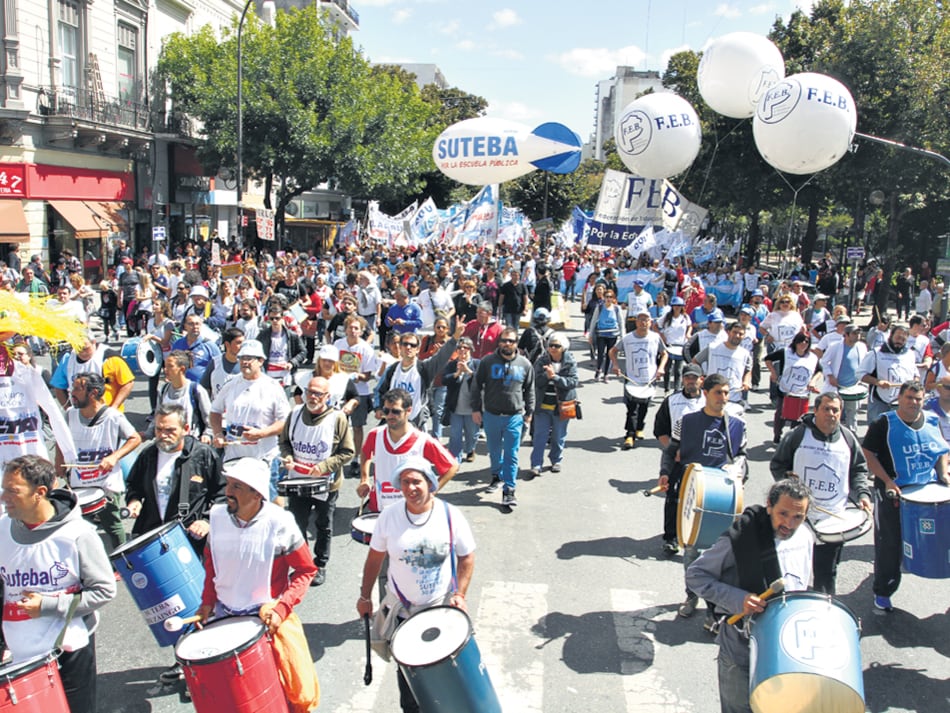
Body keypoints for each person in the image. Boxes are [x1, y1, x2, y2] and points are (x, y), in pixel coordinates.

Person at [355, 456, 476, 713]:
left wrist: (460, 594)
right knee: (410, 687)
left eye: (417, 482)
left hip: (441, 612)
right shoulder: (389, 517)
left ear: (430, 483)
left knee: (446, 680)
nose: (411, 488)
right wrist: (365, 597)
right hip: (404, 616)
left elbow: (467, 556)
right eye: (405, 482)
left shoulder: (450, 516)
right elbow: (374, 559)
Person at [196, 458, 318, 709]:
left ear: (256, 493)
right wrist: (207, 601)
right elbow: (212, 565)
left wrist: (282, 608)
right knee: (233, 697)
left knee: (279, 695)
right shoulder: (217, 517)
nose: (228, 492)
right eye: (228, 484)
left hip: (264, 622)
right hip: (223, 618)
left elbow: (306, 570)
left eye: (237, 486)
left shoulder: (280, 522)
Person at [0, 455, 117, 713]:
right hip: (21, 654)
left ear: (39, 493)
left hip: (69, 651)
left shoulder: (78, 534)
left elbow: (105, 590)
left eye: (12, 491)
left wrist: (48, 606)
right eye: (3, 488)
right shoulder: (2, 530)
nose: (3, 497)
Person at [686, 479, 814, 713]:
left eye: (798, 516)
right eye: (783, 513)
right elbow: (696, 575)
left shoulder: (805, 536)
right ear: (769, 506)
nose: (789, 523)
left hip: (782, 649)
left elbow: (802, 585)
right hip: (740, 648)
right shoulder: (741, 538)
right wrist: (739, 599)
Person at [659, 374, 748, 628]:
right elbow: (671, 452)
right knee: (691, 550)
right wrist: (665, 473)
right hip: (692, 491)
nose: (724, 398)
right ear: (706, 393)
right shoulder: (686, 422)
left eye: (726, 393)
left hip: (721, 494)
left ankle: (712, 609)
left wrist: (738, 469)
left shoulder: (737, 425)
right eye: (719, 392)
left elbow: (742, 456)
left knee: (718, 556)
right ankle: (690, 596)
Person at [770, 392, 873, 593]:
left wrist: (862, 495)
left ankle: (824, 610)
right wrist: (787, 488)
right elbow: (778, 465)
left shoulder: (848, 439)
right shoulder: (798, 435)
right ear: (815, 410)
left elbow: (859, 470)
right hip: (797, 518)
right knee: (789, 567)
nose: (831, 414)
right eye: (826, 409)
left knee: (826, 573)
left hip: (832, 520)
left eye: (835, 410)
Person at [861, 380, 950, 612]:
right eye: (909, 397)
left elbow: (941, 450)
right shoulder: (884, 423)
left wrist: (943, 472)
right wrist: (888, 481)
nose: (914, 403)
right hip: (893, 494)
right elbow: (868, 453)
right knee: (889, 545)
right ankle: (883, 592)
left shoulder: (932, 420)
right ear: (900, 398)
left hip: (926, 494)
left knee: (939, 541)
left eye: (918, 398)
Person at [278, 375, 355, 587]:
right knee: (297, 524)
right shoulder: (294, 414)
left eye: (318, 394)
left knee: (323, 525)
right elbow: (284, 442)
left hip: (326, 484)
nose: (312, 397)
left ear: (327, 397)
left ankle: (320, 563)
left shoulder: (337, 418)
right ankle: (302, 564)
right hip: (297, 481)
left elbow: (348, 452)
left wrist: (323, 467)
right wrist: (289, 456)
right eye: (309, 392)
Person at [61, 372, 142, 552]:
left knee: (112, 526)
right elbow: (62, 441)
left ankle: (122, 561)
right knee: (77, 527)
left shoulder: (113, 417)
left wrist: (114, 457)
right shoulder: (70, 415)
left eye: (77, 389)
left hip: (106, 484)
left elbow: (135, 438)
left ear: (93, 393)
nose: (71, 392)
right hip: (78, 482)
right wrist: (60, 465)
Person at [125, 403, 223, 549]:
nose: (163, 435)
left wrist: (206, 520)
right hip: (152, 533)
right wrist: (134, 500)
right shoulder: (148, 455)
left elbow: (223, 493)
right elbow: (134, 485)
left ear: (186, 429)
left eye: (170, 430)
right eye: (159, 429)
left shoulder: (203, 455)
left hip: (190, 537)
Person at [209, 339, 289, 499]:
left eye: (250, 358)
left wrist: (262, 433)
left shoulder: (272, 387)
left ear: (261, 361)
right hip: (234, 457)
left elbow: (285, 421)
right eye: (242, 358)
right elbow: (215, 411)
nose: (245, 362)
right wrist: (218, 434)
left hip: (263, 457)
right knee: (237, 501)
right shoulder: (231, 384)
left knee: (267, 501)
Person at [358, 388, 457, 513]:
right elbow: (366, 452)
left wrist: (430, 492)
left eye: (395, 411)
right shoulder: (375, 435)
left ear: (408, 411)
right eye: (386, 411)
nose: (390, 416)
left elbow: (451, 467)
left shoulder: (422, 440)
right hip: (379, 507)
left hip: (410, 511)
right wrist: (364, 479)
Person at [472, 327, 535, 508]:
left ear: (516, 344)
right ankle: (496, 476)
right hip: (491, 414)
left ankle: (509, 489)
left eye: (511, 341)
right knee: (494, 450)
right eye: (504, 340)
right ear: (499, 342)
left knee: (511, 454)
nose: (507, 344)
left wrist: (529, 412)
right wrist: (476, 409)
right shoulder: (488, 361)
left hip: (514, 416)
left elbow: (529, 389)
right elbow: (477, 386)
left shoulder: (524, 364)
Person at [652, 364, 706, 554]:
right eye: (687, 378)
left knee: (701, 501)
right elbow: (660, 430)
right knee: (674, 498)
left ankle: (699, 537)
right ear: (682, 379)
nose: (691, 381)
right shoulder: (672, 401)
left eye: (695, 378)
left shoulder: (710, 400)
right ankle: (670, 538)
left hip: (703, 461)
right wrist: (672, 451)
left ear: (702, 379)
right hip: (677, 459)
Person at [376, 322, 464, 431]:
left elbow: (441, 357)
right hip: (393, 422)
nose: (408, 347)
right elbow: (381, 391)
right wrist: (379, 408)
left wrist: (455, 337)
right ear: (400, 347)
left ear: (417, 349)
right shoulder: (393, 370)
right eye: (405, 344)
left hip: (415, 423)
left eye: (413, 345)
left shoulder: (424, 368)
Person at [610, 310, 667, 449]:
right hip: (632, 378)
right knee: (632, 408)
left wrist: (661, 368)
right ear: (636, 322)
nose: (643, 323)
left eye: (646, 320)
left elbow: (664, 353)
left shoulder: (655, 337)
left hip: (649, 378)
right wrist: (616, 365)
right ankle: (629, 435)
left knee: (644, 406)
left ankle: (639, 427)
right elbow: (612, 351)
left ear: (650, 322)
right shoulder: (628, 338)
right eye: (640, 320)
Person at [333, 315, 379, 476]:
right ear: (345, 329)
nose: (353, 331)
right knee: (338, 426)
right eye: (350, 328)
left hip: (360, 392)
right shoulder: (338, 345)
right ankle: (337, 457)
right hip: (339, 390)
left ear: (361, 331)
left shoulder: (366, 349)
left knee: (357, 427)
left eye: (356, 328)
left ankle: (355, 459)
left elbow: (367, 376)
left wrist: (356, 375)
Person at [529, 332, 578, 477]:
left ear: (563, 347)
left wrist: (555, 378)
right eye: (551, 345)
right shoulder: (541, 361)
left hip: (561, 406)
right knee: (539, 437)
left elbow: (573, 382)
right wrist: (546, 376)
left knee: (558, 436)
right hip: (543, 405)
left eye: (557, 346)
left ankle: (556, 460)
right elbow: (535, 381)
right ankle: (536, 464)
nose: (553, 348)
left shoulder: (570, 361)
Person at [50, 333, 135, 412]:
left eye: (86, 348)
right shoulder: (68, 359)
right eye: (78, 349)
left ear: (93, 342)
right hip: (79, 415)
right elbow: (58, 387)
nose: (82, 353)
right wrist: (68, 409)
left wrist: (114, 407)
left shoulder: (110, 358)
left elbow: (128, 383)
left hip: (107, 412)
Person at [764, 332, 822, 443]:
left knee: (799, 418)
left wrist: (813, 381)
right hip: (785, 390)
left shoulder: (812, 358)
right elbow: (768, 359)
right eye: (801, 341)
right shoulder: (786, 352)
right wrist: (773, 373)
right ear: (795, 342)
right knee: (781, 415)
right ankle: (777, 436)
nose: (803, 343)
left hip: (802, 393)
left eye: (806, 341)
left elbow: (819, 371)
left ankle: (793, 439)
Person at [858, 322, 918, 425]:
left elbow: (916, 375)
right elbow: (860, 374)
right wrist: (877, 382)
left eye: (903, 339)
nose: (899, 341)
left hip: (901, 402)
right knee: (876, 432)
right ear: (891, 336)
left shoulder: (910, 355)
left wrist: (913, 385)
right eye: (898, 337)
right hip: (879, 401)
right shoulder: (876, 353)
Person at [693, 321, 753, 411]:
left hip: (734, 397)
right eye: (735, 332)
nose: (737, 336)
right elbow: (695, 361)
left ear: (744, 336)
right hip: (712, 396)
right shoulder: (713, 348)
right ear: (728, 332)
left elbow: (748, 370)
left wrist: (746, 381)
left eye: (740, 334)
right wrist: (700, 378)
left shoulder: (745, 354)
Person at [819, 324, 868, 431]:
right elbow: (823, 362)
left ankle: (851, 436)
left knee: (852, 413)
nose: (857, 336)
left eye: (858, 333)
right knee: (835, 413)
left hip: (853, 387)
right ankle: (834, 433)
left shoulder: (862, 347)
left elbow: (865, 364)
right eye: (854, 333)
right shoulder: (835, 346)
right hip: (837, 386)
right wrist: (830, 376)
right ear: (846, 335)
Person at [443, 337, 480, 463]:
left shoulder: (476, 364)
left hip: (472, 409)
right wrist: (457, 373)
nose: (462, 350)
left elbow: (482, 381)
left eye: (466, 347)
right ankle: (455, 459)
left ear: (471, 349)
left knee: (472, 434)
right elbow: (445, 380)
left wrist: (469, 372)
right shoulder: (452, 364)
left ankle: (470, 449)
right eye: (460, 347)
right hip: (456, 407)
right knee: (455, 435)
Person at [171, 313, 222, 383]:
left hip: (202, 387)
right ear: (185, 326)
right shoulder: (178, 344)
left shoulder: (210, 346)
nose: (195, 326)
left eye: (197, 324)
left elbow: (219, 367)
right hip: (181, 385)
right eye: (191, 324)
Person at [589, 289, 624, 382]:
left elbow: (621, 322)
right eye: (607, 297)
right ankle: (598, 369)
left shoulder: (617, 308)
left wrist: (622, 337)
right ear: (604, 298)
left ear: (613, 298)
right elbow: (593, 320)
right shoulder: (599, 307)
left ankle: (606, 374)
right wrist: (590, 334)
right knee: (600, 353)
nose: (608, 299)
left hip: (613, 334)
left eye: (610, 297)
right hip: (601, 333)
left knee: (610, 354)